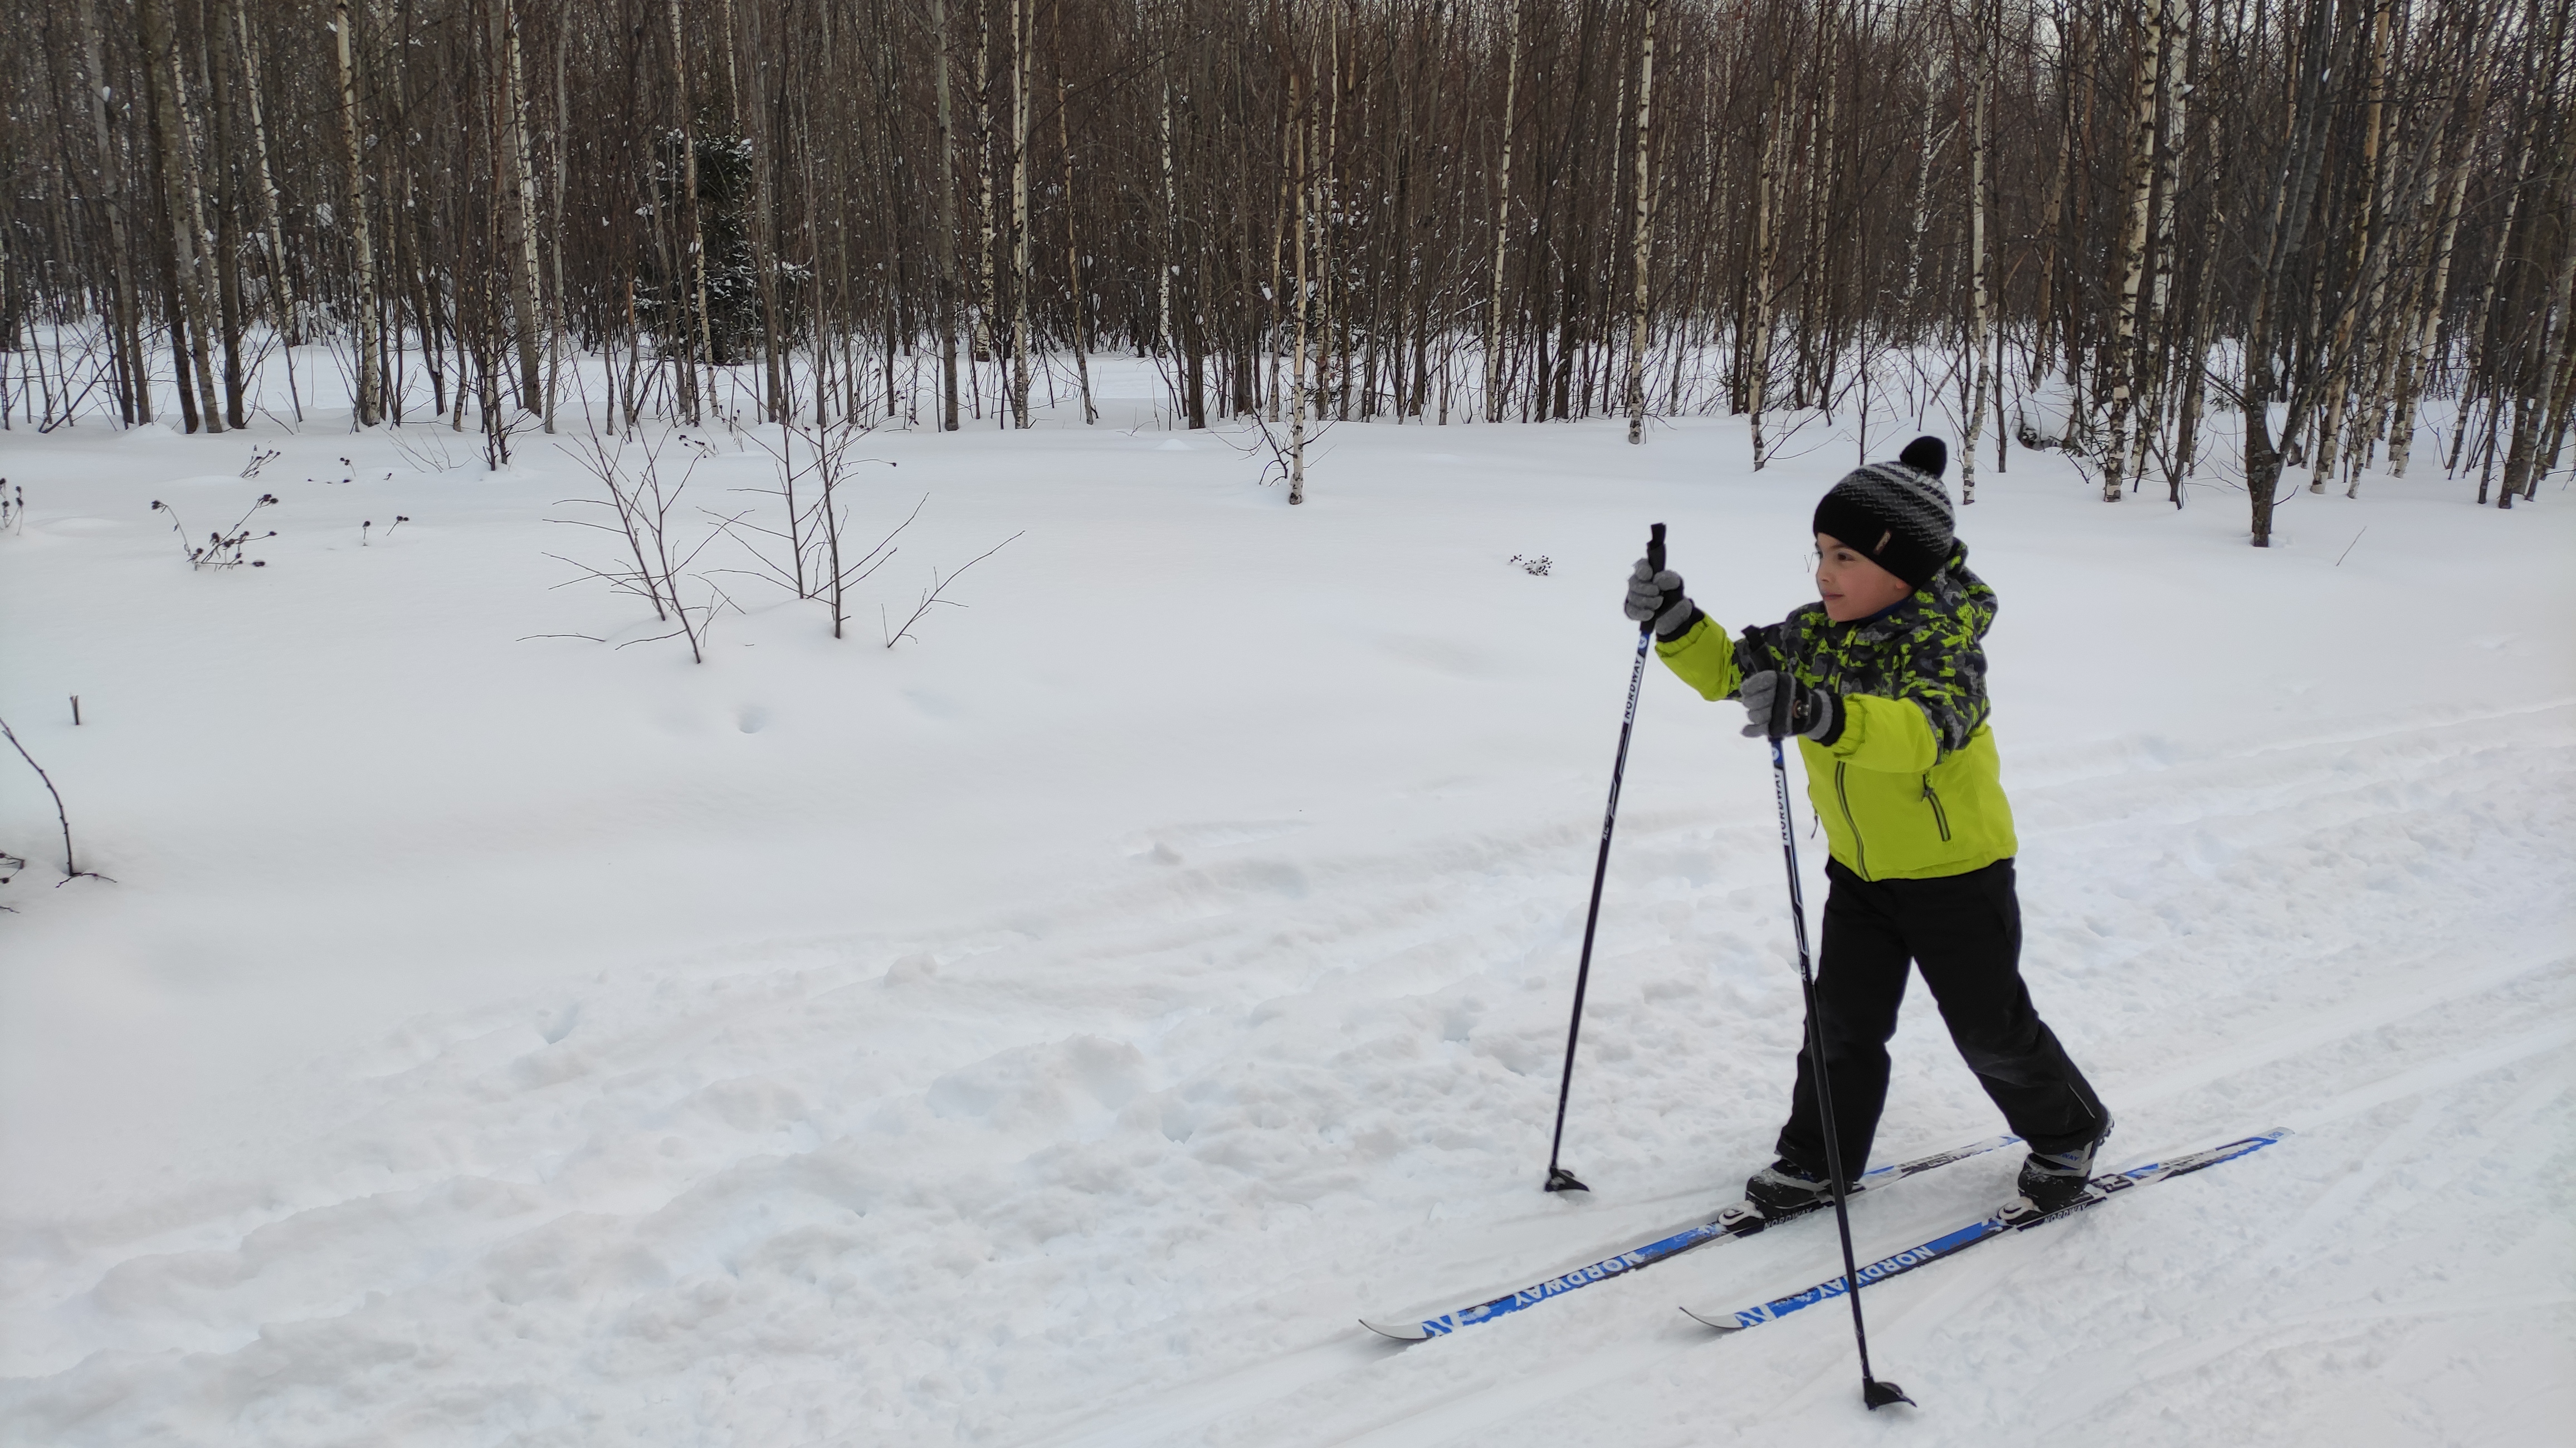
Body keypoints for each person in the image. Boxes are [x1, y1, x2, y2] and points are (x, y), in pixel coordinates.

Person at [1623, 436, 2112, 1215]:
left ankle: (2068, 1131)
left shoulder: (1945, 647)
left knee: (1989, 1028)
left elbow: (1921, 732)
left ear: (1906, 567)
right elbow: (1732, 672)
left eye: (1846, 556)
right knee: (1841, 1025)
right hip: (1860, 874)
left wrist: (1822, 712)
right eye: (1819, 552)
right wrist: (1679, 623)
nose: (1824, 572)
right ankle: (1818, 1160)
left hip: (1959, 878)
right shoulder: (1812, 633)